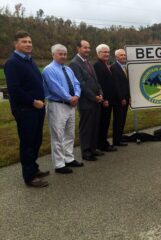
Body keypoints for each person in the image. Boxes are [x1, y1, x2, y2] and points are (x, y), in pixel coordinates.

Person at [4, 31, 49, 187]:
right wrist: (32, 102)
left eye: (30, 41)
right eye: (24, 42)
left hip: (38, 108)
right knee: (28, 142)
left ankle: (33, 168)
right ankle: (29, 177)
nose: (28, 44)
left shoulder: (29, 61)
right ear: (16, 44)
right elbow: (14, 89)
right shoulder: (13, 63)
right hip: (26, 110)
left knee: (36, 140)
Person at [42, 44, 83, 174]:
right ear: (53, 54)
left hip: (71, 105)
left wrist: (76, 95)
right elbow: (55, 88)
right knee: (58, 136)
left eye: (65, 54)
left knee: (70, 134)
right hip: (58, 105)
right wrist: (70, 98)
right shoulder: (49, 70)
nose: (63, 56)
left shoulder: (68, 69)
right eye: (60, 54)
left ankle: (69, 158)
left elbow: (77, 83)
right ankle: (59, 164)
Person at [69, 40, 104, 161]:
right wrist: (93, 97)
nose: (88, 50)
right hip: (86, 101)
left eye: (89, 48)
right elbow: (81, 84)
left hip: (96, 100)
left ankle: (93, 148)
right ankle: (86, 151)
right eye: (85, 48)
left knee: (94, 125)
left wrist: (100, 93)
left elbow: (96, 81)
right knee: (86, 127)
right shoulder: (74, 63)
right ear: (78, 48)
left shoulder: (88, 62)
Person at [93, 44, 117, 152]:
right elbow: (101, 84)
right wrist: (105, 99)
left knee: (106, 122)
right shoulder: (98, 66)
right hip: (105, 100)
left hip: (109, 99)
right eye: (104, 52)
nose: (107, 54)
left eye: (108, 52)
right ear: (98, 53)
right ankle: (102, 144)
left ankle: (103, 142)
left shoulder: (105, 64)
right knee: (103, 122)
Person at [110, 49, 130, 146]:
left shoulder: (125, 67)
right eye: (121, 55)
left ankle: (120, 138)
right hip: (119, 100)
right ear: (116, 57)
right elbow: (116, 85)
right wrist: (121, 98)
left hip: (126, 98)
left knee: (122, 119)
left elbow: (126, 84)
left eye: (124, 55)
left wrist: (128, 97)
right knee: (118, 120)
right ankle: (116, 141)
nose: (123, 57)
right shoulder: (114, 68)